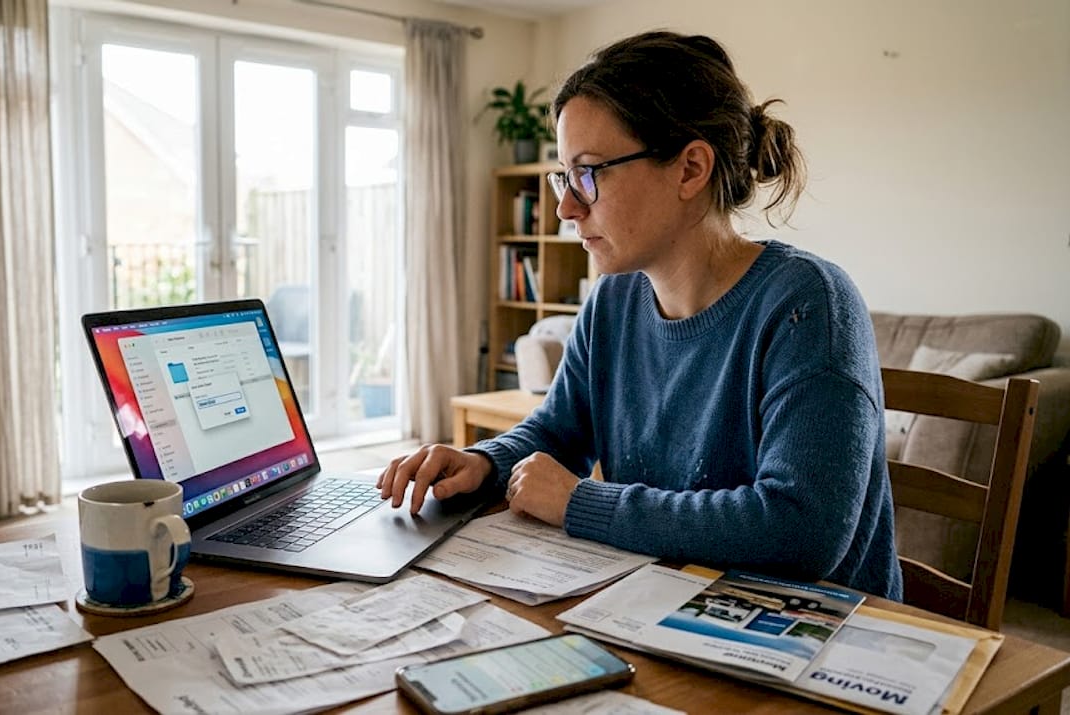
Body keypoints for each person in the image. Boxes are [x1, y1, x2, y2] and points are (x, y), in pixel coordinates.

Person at [378, 30, 903, 600]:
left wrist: (582, 502)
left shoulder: (808, 304)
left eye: (589, 173)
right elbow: (558, 432)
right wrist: (483, 462)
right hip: (662, 600)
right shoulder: (613, 299)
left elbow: (801, 530)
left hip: (816, 635)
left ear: (689, 169)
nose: (565, 206)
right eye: (564, 175)